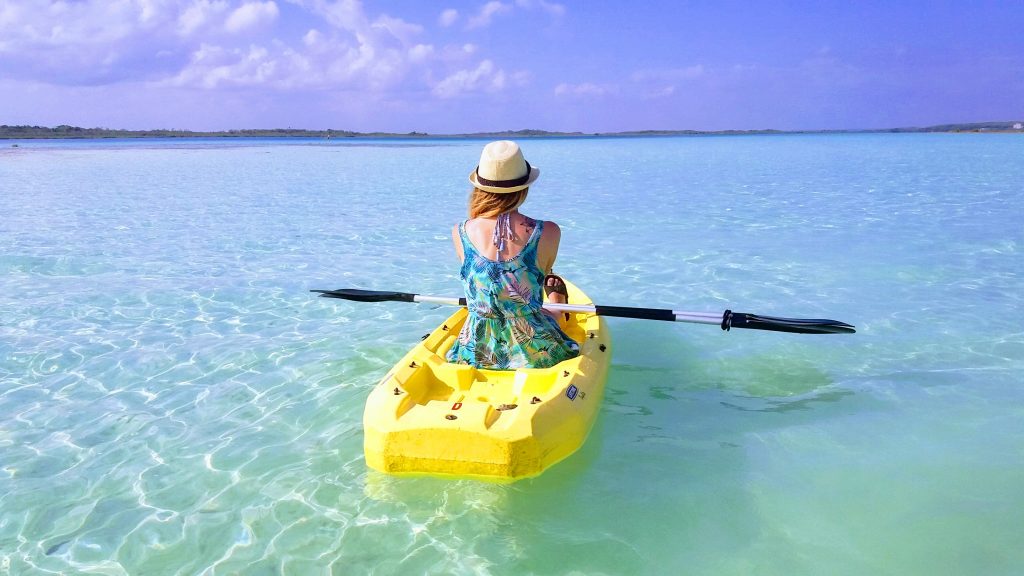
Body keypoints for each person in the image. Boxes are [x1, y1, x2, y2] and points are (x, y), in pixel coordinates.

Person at [446, 141, 581, 370]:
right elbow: (538, 280)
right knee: (537, 311)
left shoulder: (460, 231)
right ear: (524, 188)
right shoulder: (548, 231)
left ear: (480, 186)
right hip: (534, 348)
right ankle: (558, 305)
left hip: (476, 349)